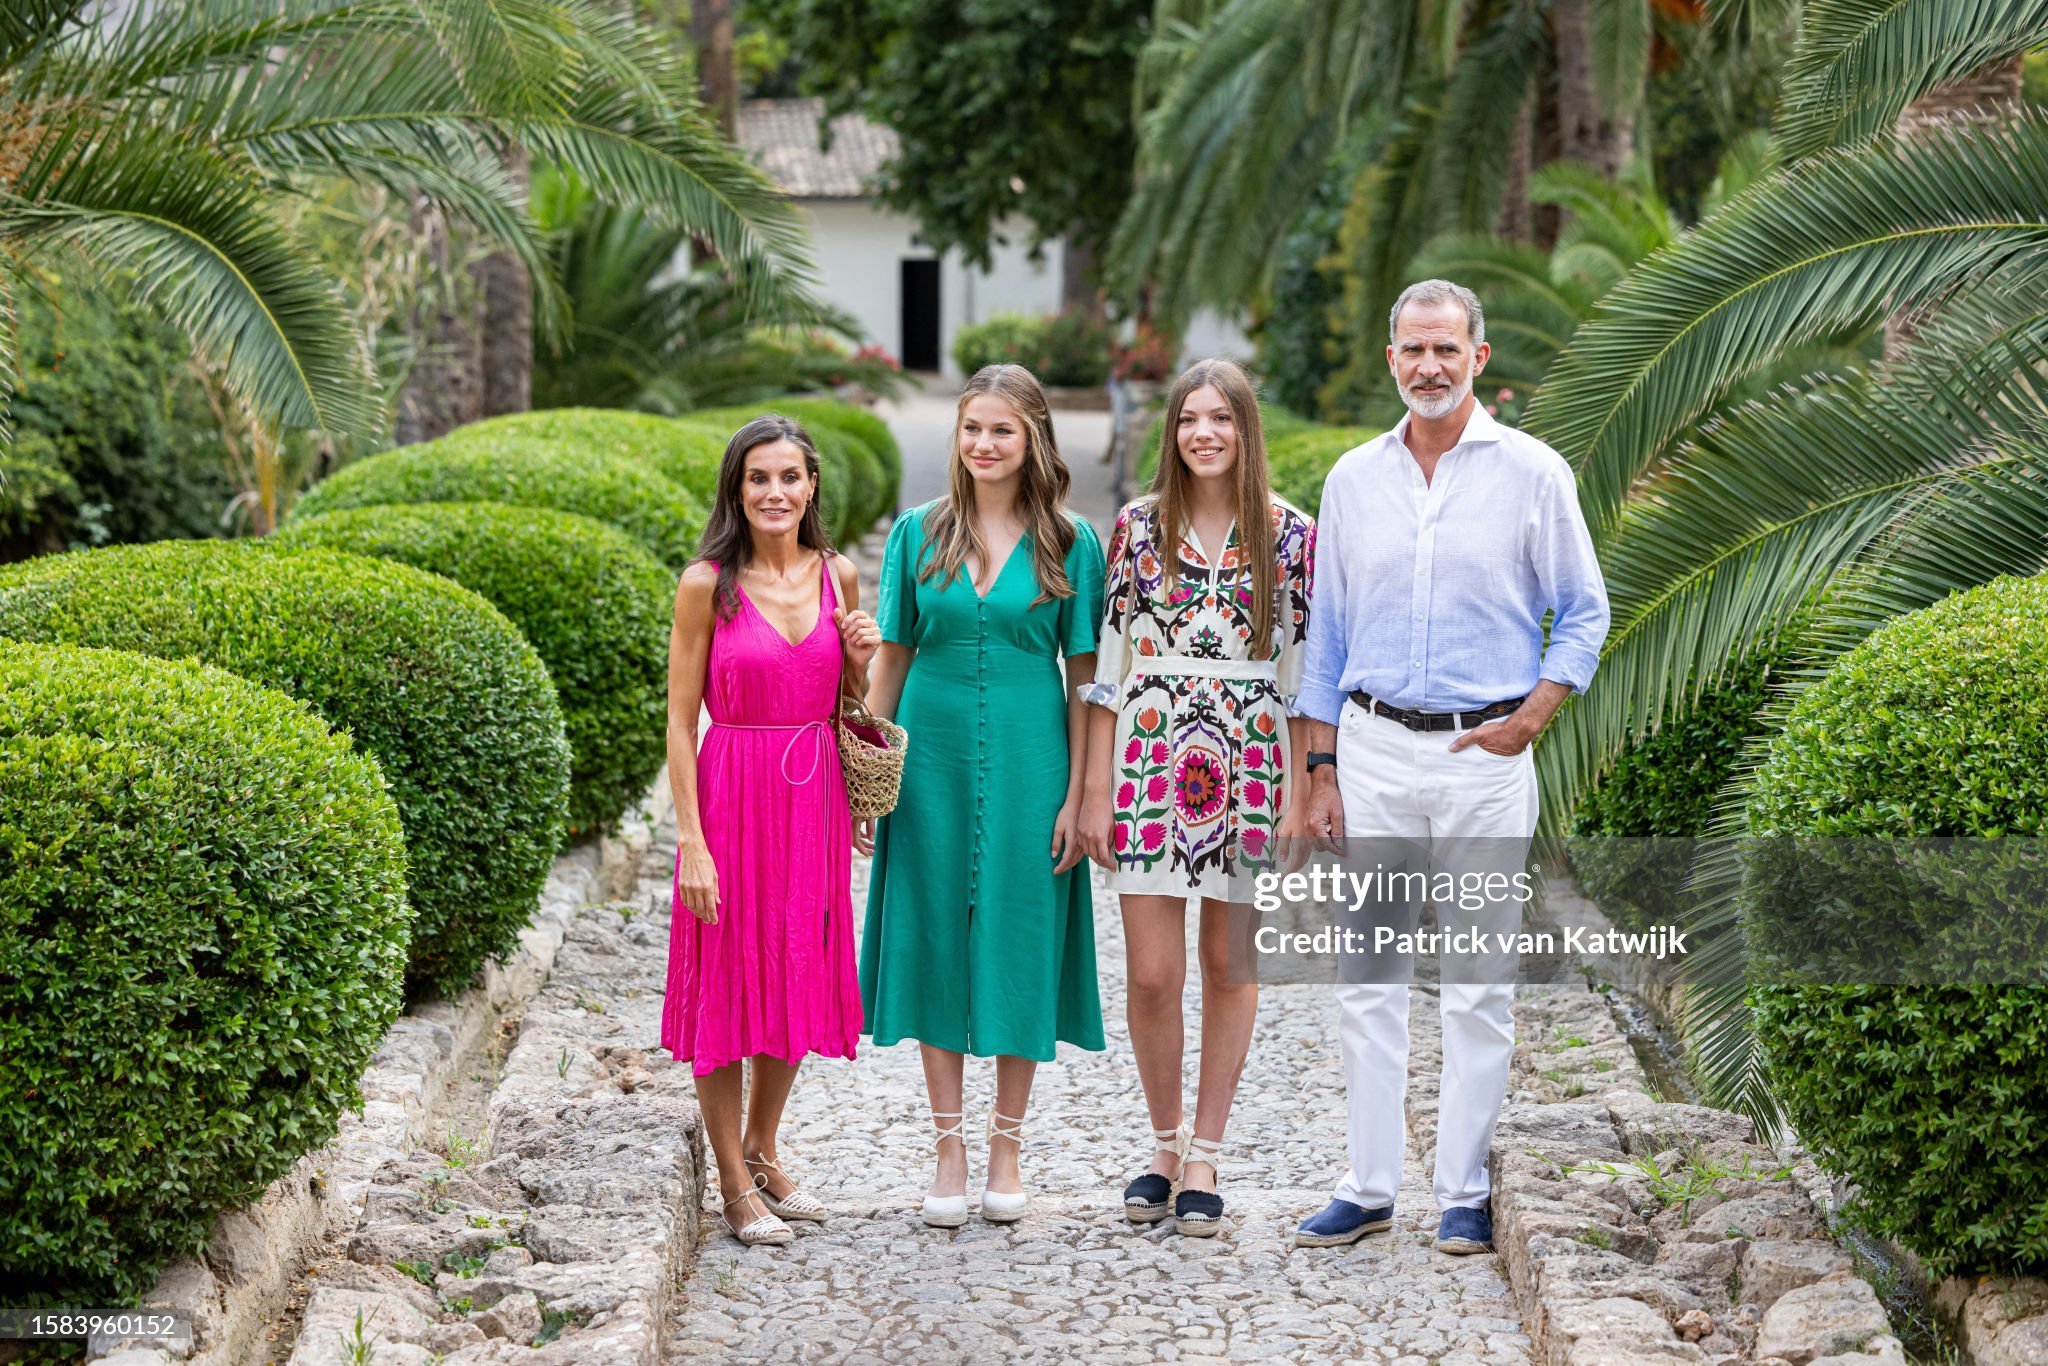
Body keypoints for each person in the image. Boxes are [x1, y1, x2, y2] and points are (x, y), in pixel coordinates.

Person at [1291, 280, 1610, 1253]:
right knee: (1368, 977)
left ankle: (1463, 1190)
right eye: (1412, 349)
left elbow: (1584, 611)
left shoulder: (1534, 473)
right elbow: (1327, 634)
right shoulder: (1353, 479)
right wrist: (1320, 769)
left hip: (1484, 756)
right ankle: (1367, 1187)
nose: (1428, 366)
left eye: (1445, 348)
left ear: (1478, 357)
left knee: (1478, 982)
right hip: (1374, 749)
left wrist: (1529, 720)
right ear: (1390, 358)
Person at [860, 364, 1106, 1228]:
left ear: (1033, 438)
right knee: (932, 929)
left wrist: (1082, 795)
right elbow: (891, 657)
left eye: (1003, 430)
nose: (984, 444)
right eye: (973, 428)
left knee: (1019, 935)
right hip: (929, 758)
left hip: (1034, 758)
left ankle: (1007, 1146)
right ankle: (948, 1149)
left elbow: (1086, 681)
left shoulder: (1072, 541)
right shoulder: (916, 533)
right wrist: (865, 774)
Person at [1077, 358, 1315, 1237]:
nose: (1204, 433)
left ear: (1246, 429)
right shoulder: (1137, 527)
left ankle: (1207, 1151)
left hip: (1253, 762)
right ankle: (1164, 1142)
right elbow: (1107, 668)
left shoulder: (1292, 534)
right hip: (1148, 754)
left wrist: (1302, 792)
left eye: (1221, 418)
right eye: (1188, 419)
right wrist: (1095, 789)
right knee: (1151, 972)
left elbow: (1305, 675)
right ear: (1171, 431)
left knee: (1228, 964)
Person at [662, 415, 881, 1247]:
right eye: (759, 478)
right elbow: (679, 721)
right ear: (737, 488)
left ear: (812, 485)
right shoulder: (706, 584)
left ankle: (762, 1148)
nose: (775, 492)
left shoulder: (838, 576)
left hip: (813, 799)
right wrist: (692, 841)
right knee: (725, 979)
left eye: (790, 477)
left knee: (795, 967)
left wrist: (860, 661)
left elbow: (848, 706)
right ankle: (729, 1179)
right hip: (730, 795)